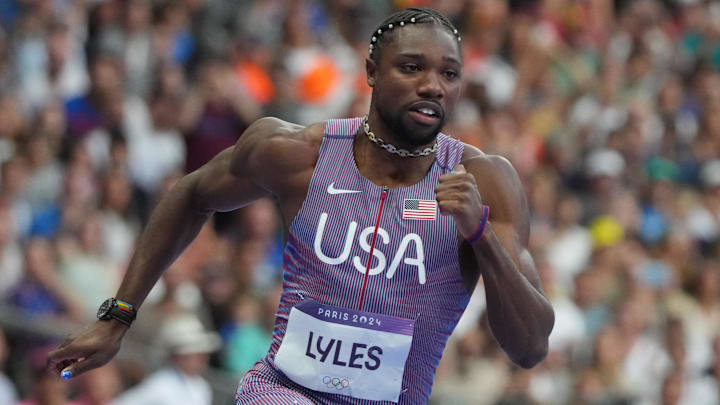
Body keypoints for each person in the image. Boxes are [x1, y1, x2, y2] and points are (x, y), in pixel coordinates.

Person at [47, 7, 554, 404]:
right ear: (371, 72)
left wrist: (480, 232)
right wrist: (118, 315)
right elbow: (189, 194)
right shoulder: (299, 154)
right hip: (281, 392)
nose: (433, 86)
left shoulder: (483, 182)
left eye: (449, 74)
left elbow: (530, 347)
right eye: (412, 67)